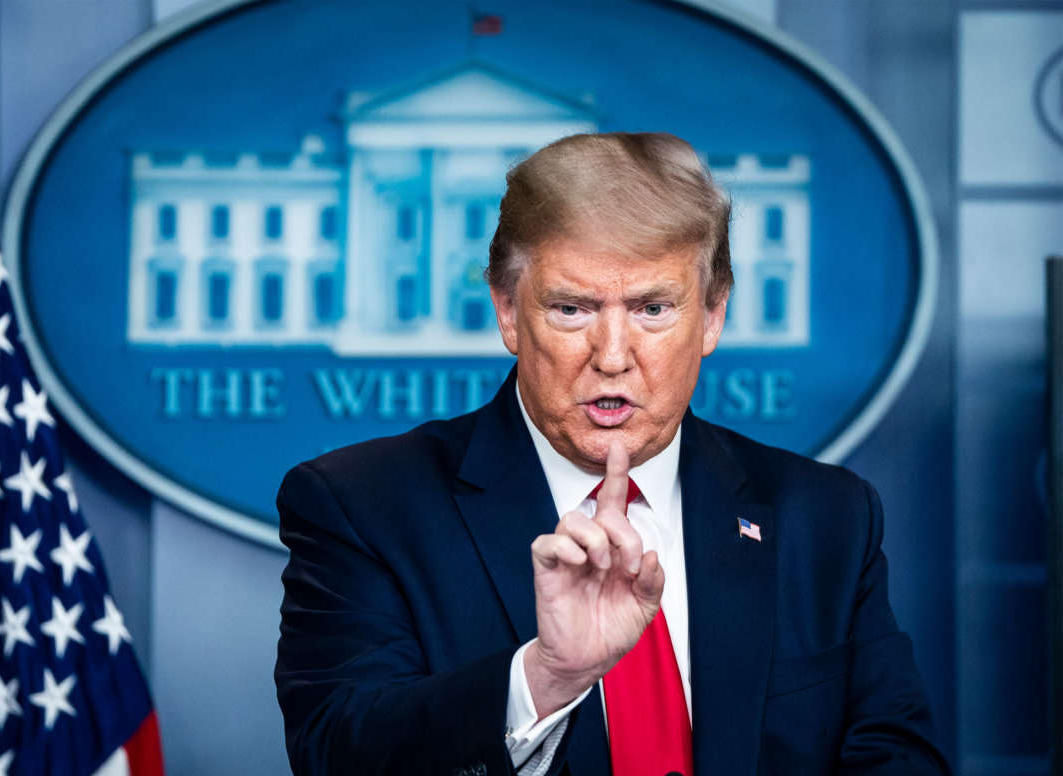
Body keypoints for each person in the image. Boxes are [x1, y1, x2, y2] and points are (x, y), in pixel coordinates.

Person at [274, 132, 950, 776]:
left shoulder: (826, 517)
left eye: (654, 308)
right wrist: (546, 679)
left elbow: (896, 757)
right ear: (508, 311)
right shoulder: (363, 505)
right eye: (572, 309)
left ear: (713, 315)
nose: (614, 356)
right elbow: (339, 753)